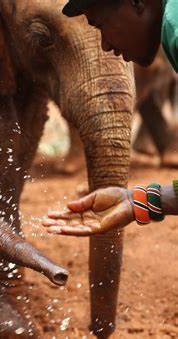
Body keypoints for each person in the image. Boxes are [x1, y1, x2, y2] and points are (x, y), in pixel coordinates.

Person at [42, 0, 178, 235]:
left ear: (137, 2)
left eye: (101, 25)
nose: (104, 45)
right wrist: (138, 202)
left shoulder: (174, 26)